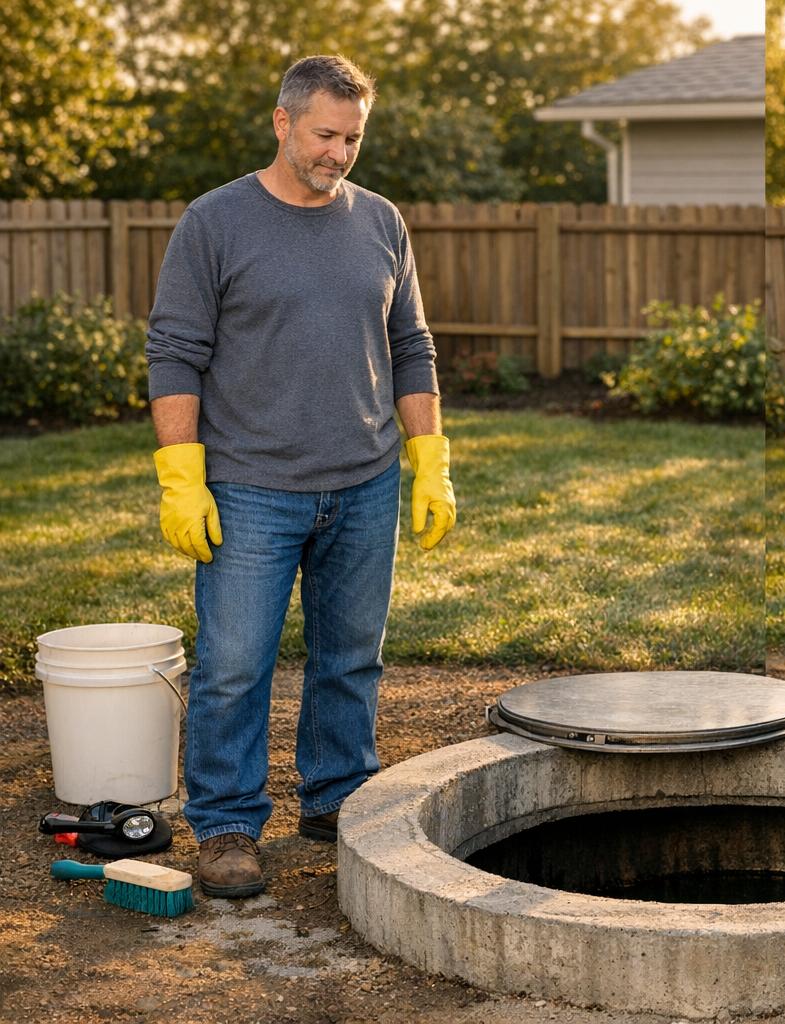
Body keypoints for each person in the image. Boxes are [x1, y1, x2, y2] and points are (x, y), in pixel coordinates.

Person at [145, 54, 457, 896]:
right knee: (236, 664)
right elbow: (174, 354)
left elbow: (410, 346)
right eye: (325, 134)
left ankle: (336, 796)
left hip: (363, 482)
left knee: (351, 657)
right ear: (282, 123)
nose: (339, 153)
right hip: (250, 486)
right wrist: (183, 475)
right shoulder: (215, 222)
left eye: (352, 138)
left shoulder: (382, 221)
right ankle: (228, 823)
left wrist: (430, 460)